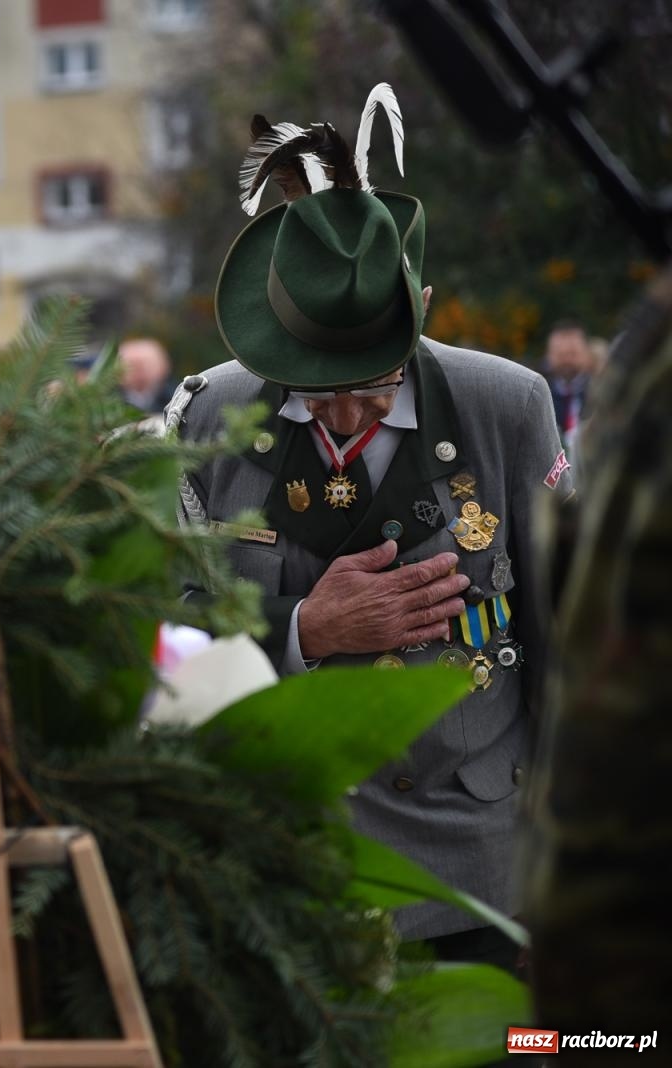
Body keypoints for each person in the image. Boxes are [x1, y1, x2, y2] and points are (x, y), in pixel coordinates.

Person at [170, 91, 571, 971]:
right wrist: (306, 630)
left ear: (420, 307)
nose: (348, 413)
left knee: (531, 1042)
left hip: (475, 862)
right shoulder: (211, 416)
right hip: (287, 855)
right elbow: (172, 630)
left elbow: (566, 640)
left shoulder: (507, 407)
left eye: (376, 382)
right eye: (317, 387)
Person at [543, 319, 591, 461]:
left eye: (573, 354)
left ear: (586, 353)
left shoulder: (601, 392)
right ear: (548, 355)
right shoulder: (539, 396)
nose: (566, 361)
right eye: (560, 355)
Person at [117, 337, 176, 414]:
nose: (138, 370)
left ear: (163, 366)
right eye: (131, 364)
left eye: (146, 364)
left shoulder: (178, 397)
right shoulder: (105, 400)